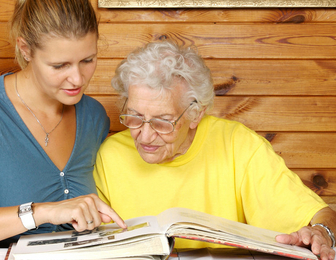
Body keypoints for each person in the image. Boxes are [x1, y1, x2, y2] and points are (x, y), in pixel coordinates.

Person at [93, 40, 336, 259]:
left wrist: (321, 233)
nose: (144, 135)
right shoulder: (110, 154)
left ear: (195, 114)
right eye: (134, 118)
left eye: (162, 122)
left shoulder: (238, 146)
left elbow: (322, 217)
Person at [0, 0, 125, 249]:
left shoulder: (94, 116)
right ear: (26, 49)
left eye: (88, 60)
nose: (77, 79)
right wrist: (41, 212)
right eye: (59, 65)